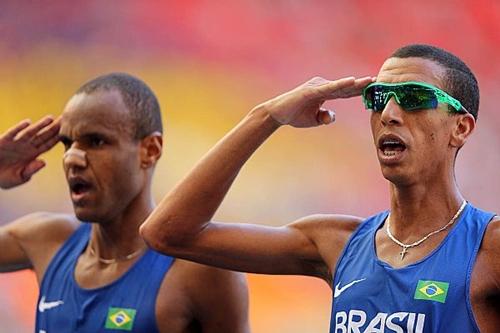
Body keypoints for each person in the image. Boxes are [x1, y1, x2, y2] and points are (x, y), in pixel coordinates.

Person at [140, 44, 499, 333]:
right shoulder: (335, 243)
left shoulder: (488, 246)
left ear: (461, 128)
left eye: (414, 98)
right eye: (377, 98)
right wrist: (266, 117)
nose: (389, 113)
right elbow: (168, 233)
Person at [0, 73, 249, 333]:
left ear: (150, 150)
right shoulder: (45, 240)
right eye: (67, 144)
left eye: (96, 141)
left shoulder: (200, 271)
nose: (72, 158)